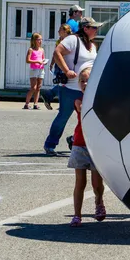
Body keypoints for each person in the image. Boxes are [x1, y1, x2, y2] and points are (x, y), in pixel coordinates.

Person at [43, 17, 101, 156]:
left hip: (87, 88)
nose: (96, 30)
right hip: (70, 87)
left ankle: (74, 139)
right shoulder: (72, 40)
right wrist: (66, 70)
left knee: (89, 118)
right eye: (94, 27)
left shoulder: (92, 46)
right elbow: (57, 52)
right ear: (85, 28)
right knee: (63, 116)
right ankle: (50, 145)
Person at [68, 64, 106, 227]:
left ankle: (99, 202)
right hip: (79, 144)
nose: (84, 84)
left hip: (96, 147)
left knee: (97, 184)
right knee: (80, 183)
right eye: (82, 81)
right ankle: (77, 215)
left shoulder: (101, 100)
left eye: (88, 81)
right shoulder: (79, 101)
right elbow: (83, 109)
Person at [41, 24, 72, 110]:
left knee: (64, 84)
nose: (58, 31)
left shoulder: (70, 40)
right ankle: (54, 98)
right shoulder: (59, 41)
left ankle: (50, 95)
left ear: (65, 31)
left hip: (66, 64)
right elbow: (56, 54)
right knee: (63, 83)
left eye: (60, 30)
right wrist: (52, 63)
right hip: (62, 65)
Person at [23, 33, 46, 110]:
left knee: (39, 87)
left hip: (41, 69)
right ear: (35, 40)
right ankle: (26, 103)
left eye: (41, 39)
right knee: (33, 87)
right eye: (39, 39)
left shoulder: (42, 50)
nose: (40, 41)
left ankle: (36, 103)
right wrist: (37, 61)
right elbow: (27, 60)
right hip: (34, 69)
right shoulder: (31, 50)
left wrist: (43, 62)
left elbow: (43, 58)